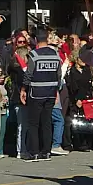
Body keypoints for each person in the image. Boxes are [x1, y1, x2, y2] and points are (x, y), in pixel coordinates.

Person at [21, 27, 62, 162]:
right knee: (46, 122)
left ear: (36, 40)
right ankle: (46, 152)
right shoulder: (56, 55)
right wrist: (56, 91)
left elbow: (28, 74)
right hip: (50, 93)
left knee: (34, 123)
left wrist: (23, 89)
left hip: (36, 93)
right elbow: (59, 76)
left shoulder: (34, 55)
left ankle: (34, 152)